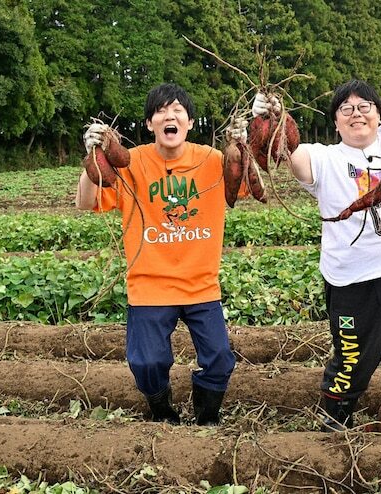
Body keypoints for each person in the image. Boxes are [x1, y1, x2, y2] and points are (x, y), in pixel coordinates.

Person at [251, 26, 381, 435]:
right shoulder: (324, 158)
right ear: (335, 123)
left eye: (365, 106)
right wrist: (271, 118)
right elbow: (291, 156)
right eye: (346, 109)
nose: (357, 113)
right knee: (351, 360)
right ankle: (334, 426)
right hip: (353, 281)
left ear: (379, 115)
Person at [75, 83, 243, 426]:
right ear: (150, 124)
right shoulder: (131, 162)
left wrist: (243, 143)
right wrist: (92, 157)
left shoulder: (211, 160)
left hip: (200, 284)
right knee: (146, 362)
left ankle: (207, 416)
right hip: (149, 284)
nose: (170, 116)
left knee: (220, 359)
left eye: (178, 110)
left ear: (191, 122)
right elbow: (86, 202)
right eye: (161, 111)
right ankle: (163, 412)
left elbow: (245, 186)